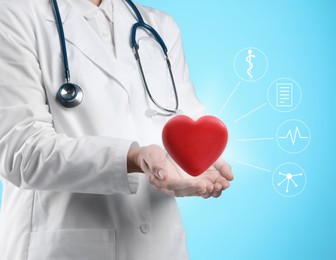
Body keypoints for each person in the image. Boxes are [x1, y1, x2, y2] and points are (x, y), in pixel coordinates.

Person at [0, 0, 234, 259]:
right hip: (62, 246)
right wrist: (132, 158)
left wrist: (196, 163)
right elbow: (19, 150)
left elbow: (187, 122)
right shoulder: (13, 13)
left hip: (160, 246)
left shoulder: (159, 26)